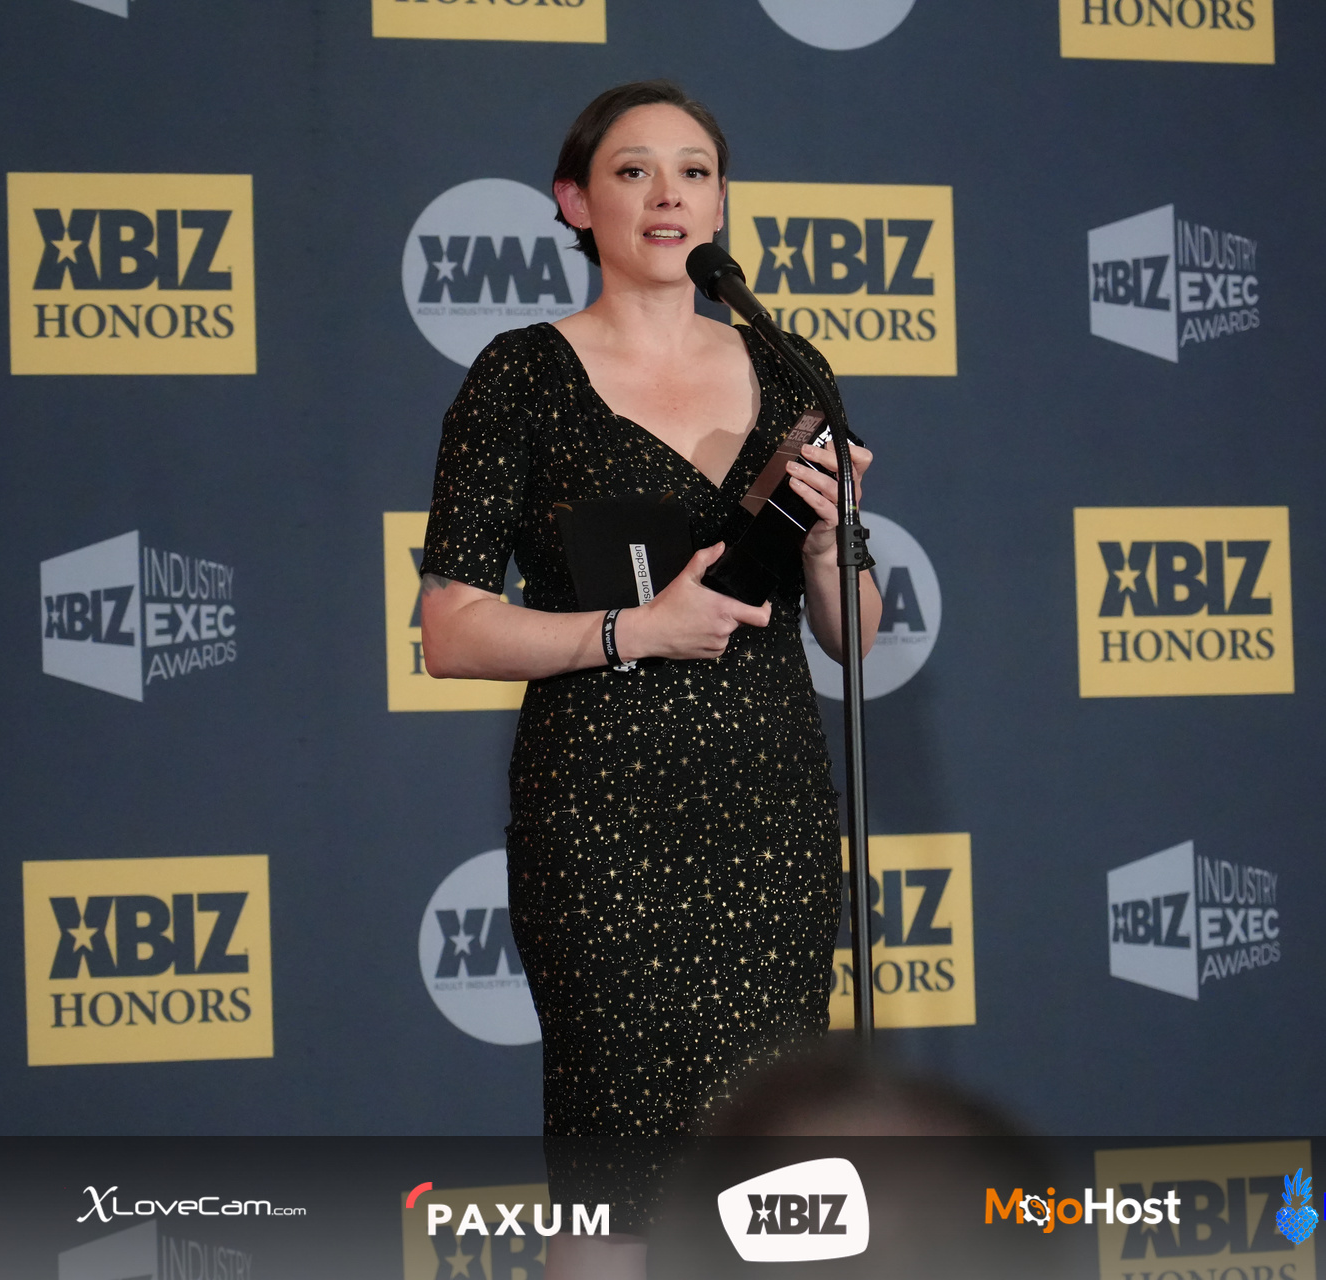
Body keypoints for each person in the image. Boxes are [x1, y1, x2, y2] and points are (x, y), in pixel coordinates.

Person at [416, 79, 882, 1278]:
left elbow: (856, 634)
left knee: (779, 1172)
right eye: (633, 170)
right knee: (617, 1174)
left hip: (769, 816)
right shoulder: (520, 375)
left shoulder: (793, 371)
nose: (668, 194)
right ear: (575, 202)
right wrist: (633, 630)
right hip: (603, 824)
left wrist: (828, 545)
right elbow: (450, 630)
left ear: (721, 203)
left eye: (694, 170)